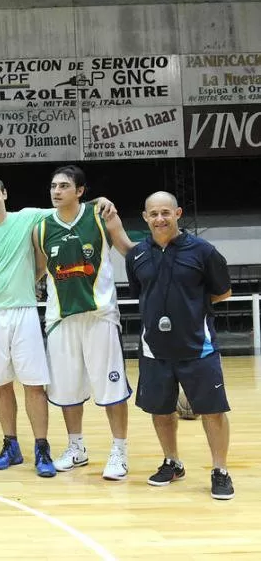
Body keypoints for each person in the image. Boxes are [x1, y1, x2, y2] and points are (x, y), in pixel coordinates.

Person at [0, 178, 115, 477]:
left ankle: (41, 448)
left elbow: (67, 209)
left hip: (25, 312)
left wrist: (99, 201)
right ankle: (11, 445)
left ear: (5, 194)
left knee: (34, 385)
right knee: (2, 385)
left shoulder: (28, 217)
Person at [126, 191, 234, 500]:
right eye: (154, 214)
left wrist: (191, 306)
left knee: (213, 411)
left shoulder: (203, 251)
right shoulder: (136, 255)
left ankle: (220, 470)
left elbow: (222, 292)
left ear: (178, 214)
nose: (160, 218)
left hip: (198, 348)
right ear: (145, 218)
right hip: (154, 350)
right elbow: (142, 292)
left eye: (165, 212)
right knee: (160, 411)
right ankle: (172, 462)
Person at [32, 165, 134, 480]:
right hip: (60, 318)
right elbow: (38, 272)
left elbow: (130, 252)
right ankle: (76, 447)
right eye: (53, 185)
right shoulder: (41, 228)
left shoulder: (102, 217)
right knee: (66, 390)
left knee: (111, 388)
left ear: (80, 191)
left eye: (64, 185)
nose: (56, 191)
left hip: (99, 315)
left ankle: (119, 451)